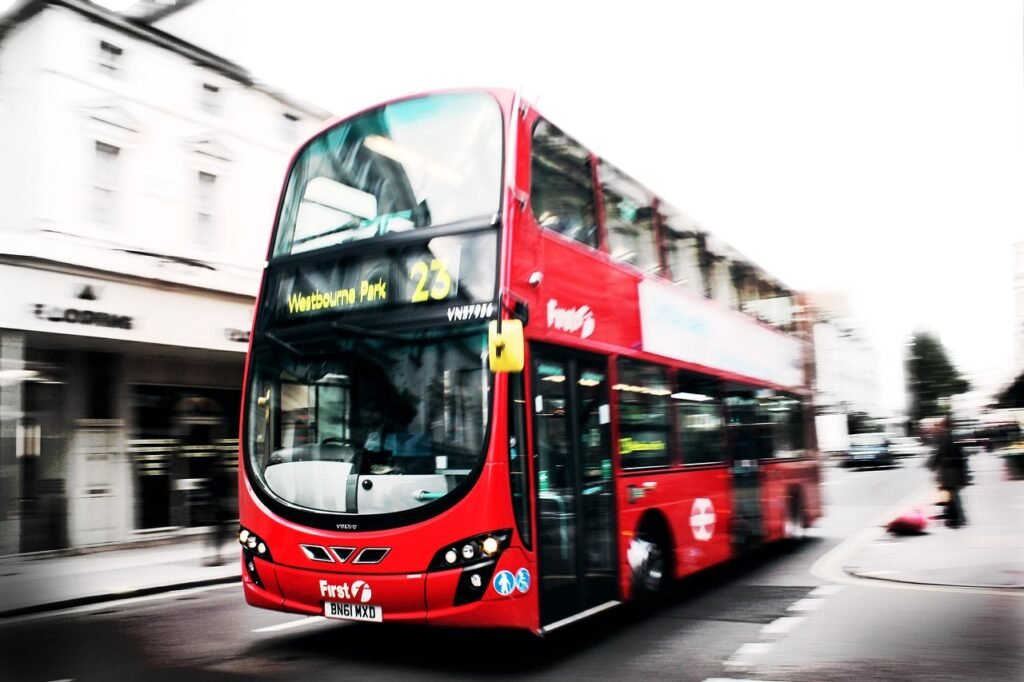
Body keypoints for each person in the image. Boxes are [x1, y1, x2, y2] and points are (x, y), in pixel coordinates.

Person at [931, 416, 968, 528]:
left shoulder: (944, 437)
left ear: (944, 425)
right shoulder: (955, 436)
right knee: (953, 494)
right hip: (956, 471)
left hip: (948, 472)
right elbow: (961, 455)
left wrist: (933, 466)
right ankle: (957, 517)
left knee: (951, 495)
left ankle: (955, 518)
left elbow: (938, 454)